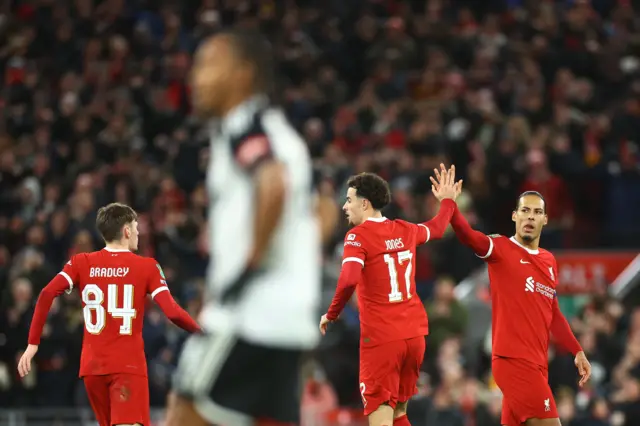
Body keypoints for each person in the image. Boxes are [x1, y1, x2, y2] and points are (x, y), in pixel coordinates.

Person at [166, 28, 324, 426]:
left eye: (208, 64)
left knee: (184, 414)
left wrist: (246, 268)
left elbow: (272, 184)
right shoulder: (282, 134)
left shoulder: (244, 125)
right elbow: (322, 211)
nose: (196, 78)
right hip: (289, 321)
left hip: (246, 315)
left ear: (242, 74)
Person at [433, 163, 592, 426]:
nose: (530, 217)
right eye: (525, 211)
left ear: (545, 219)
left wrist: (576, 350)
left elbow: (551, 312)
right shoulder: (501, 248)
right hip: (514, 361)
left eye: (537, 212)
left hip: (538, 365)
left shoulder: (549, 261)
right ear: (514, 216)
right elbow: (470, 236)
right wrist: (450, 204)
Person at [17, 202, 201, 426]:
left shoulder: (81, 262)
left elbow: (46, 294)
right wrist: (201, 334)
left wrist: (32, 343)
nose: (138, 232)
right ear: (126, 231)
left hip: (93, 370)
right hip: (127, 367)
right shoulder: (147, 267)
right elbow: (172, 312)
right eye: (135, 227)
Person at [319, 167, 461, 426]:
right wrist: (448, 200)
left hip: (383, 339)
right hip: (413, 337)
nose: (344, 207)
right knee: (399, 415)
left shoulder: (357, 237)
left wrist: (332, 313)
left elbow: (349, 279)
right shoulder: (405, 229)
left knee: (382, 420)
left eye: (349, 200)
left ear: (365, 203)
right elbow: (439, 228)